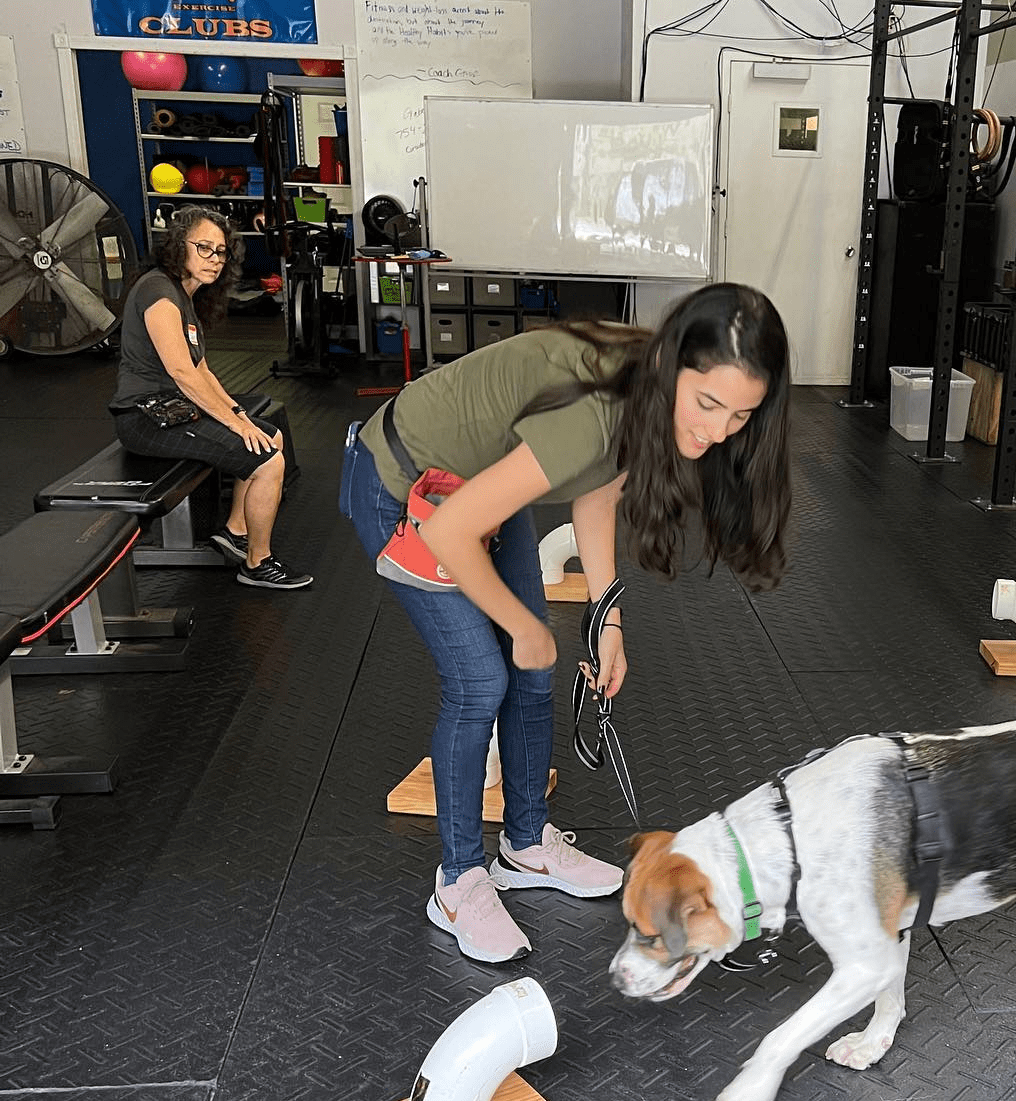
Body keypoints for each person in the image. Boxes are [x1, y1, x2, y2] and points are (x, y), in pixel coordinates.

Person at [345, 283, 792, 963]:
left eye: (741, 415)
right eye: (707, 404)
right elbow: (452, 532)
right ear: (675, 367)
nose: (718, 431)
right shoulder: (601, 407)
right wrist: (523, 626)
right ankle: (458, 883)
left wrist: (606, 622)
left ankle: (524, 846)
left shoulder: (651, 400)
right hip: (403, 488)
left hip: (478, 485)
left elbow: (595, 498)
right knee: (480, 681)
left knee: (538, 665)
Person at [109, 205, 312, 590]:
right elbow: (182, 373)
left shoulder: (183, 295)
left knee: (271, 436)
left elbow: (201, 370)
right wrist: (235, 424)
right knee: (268, 463)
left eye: (220, 252)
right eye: (204, 248)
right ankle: (257, 563)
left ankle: (235, 532)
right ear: (177, 246)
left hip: (172, 409)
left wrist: (240, 414)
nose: (214, 259)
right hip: (143, 417)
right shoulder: (159, 293)